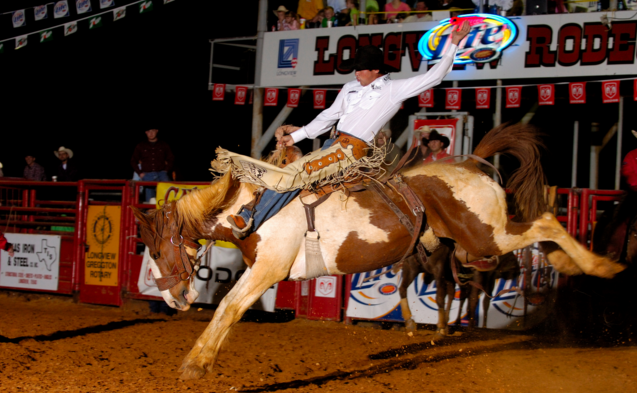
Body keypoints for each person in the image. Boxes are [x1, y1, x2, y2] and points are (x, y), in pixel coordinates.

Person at [223, 21, 471, 238]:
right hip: (332, 145)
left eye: (362, 68)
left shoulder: (394, 90)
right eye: (356, 67)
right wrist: (295, 136)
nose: (357, 72)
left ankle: (249, 217)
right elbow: (328, 117)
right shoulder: (350, 87)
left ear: (376, 70)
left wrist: (454, 44)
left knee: (298, 172)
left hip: (352, 150)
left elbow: (434, 77)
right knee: (293, 171)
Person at [130, 128, 175, 202]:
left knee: (168, 194)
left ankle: (169, 212)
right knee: (150, 199)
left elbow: (171, 158)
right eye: (148, 131)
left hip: (162, 174)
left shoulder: (164, 144)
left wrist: (166, 170)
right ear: (145, 132)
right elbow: (133, 161)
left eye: (153, 131)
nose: (151, 133)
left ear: (157, 131)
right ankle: (150, 212)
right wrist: (140, 174)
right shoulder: (141, 145)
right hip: (147, 175)